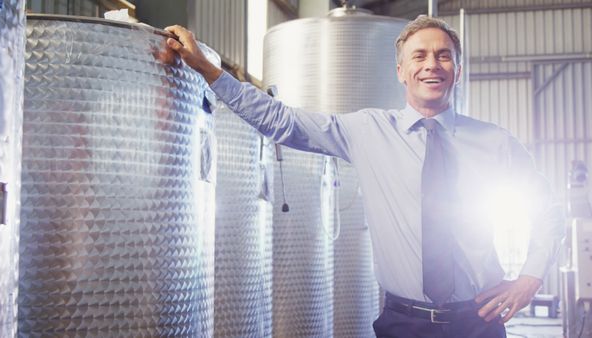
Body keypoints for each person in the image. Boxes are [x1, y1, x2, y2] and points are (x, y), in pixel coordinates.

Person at [160, 15, 563, 338]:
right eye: (419, 56)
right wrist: (206, 69)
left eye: (443, 56)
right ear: (401, 71)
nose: (431, 65)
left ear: (457, 70)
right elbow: (281, 121)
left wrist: (531, 276)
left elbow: (547, 209)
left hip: (478, 322)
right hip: (404, 323)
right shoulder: (367, 131)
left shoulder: (495, 143)